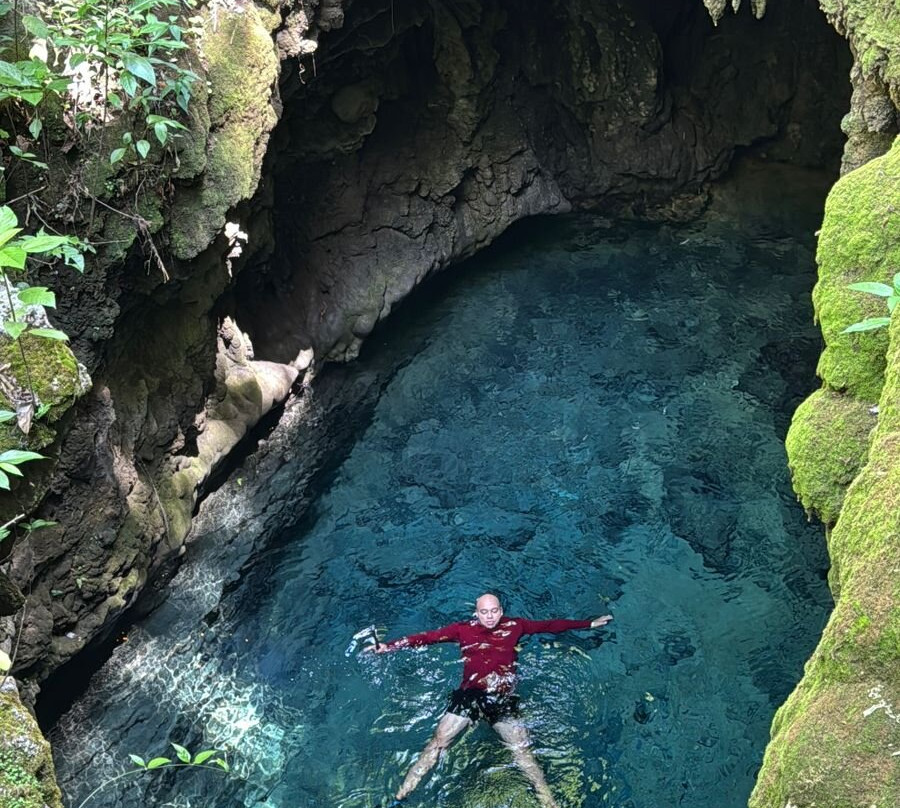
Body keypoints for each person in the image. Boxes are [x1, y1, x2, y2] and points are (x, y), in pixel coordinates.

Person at [365, 593, 613, 807]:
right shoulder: (461, 629)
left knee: (522, 751)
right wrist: (390, 647)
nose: (490, 617)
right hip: (470, 695)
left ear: (501, 611)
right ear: (477, 613)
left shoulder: (515, 625)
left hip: (501, 697)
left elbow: (549, 625)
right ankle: (399, 798)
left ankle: (548, 802)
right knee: (438, 742)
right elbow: (428, 637)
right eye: (484, 612)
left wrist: (588, 624)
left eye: (494, 611)